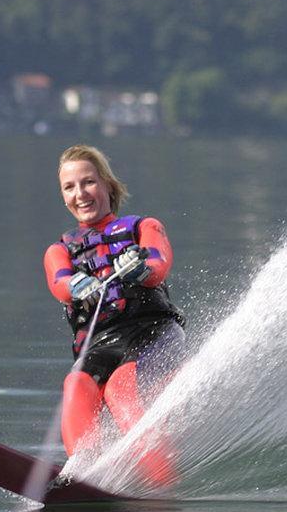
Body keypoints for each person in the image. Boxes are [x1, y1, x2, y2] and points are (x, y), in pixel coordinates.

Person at [44, 145, 185, 484]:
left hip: (151, 334)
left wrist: (139, 269)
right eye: (70, 187)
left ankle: (161, 483)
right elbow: (59, 282)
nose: (80, 194)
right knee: (76, 383)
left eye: (88, 182)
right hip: (101, 345)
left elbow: (157, 264)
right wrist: (76, 285)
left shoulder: (144, 228)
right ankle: (86, 473)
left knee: (122, 389)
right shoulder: (59, 251)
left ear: (108, 185)